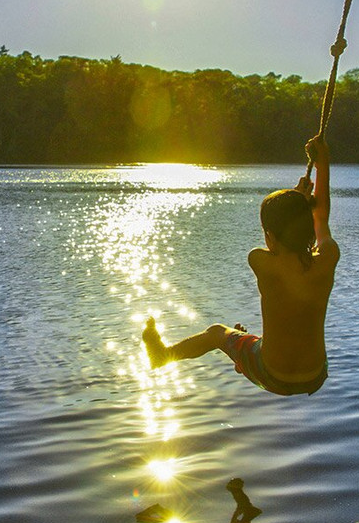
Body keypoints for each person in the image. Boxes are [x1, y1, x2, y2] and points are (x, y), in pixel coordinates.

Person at [143, 135, 339, 396]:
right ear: (307, 228)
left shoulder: (260, 261)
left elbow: (277, 247)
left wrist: (297, 198)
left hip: (271, 374)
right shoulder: (327, 258)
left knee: (217, 334)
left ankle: (163, 355)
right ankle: (243, 354)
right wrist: (323, 163)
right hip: (314, 377)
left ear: (269, 234)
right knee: (250, 342)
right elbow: (321, 216)